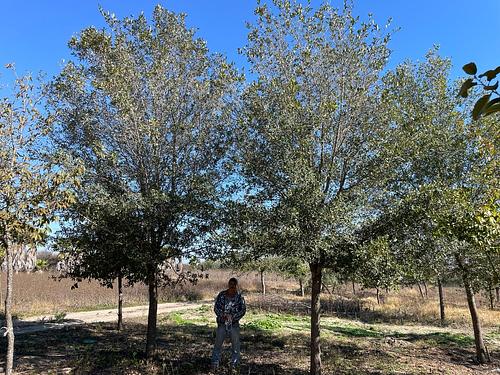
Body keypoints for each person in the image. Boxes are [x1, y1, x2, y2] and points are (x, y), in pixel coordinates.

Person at [211, 277, 246, 371]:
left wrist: (233, 317)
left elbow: (243, 310)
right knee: (218, 344)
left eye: (233, 285)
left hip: (234, 324)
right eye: (230, 285)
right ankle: (215, 364)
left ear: (236, 286)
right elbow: (216, 308)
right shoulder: (222, 295)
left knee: (235, 345)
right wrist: (223, 315)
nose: (232, 287)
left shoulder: (239, 297)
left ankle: (234, 365)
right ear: (228, 284)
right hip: (222, 323)